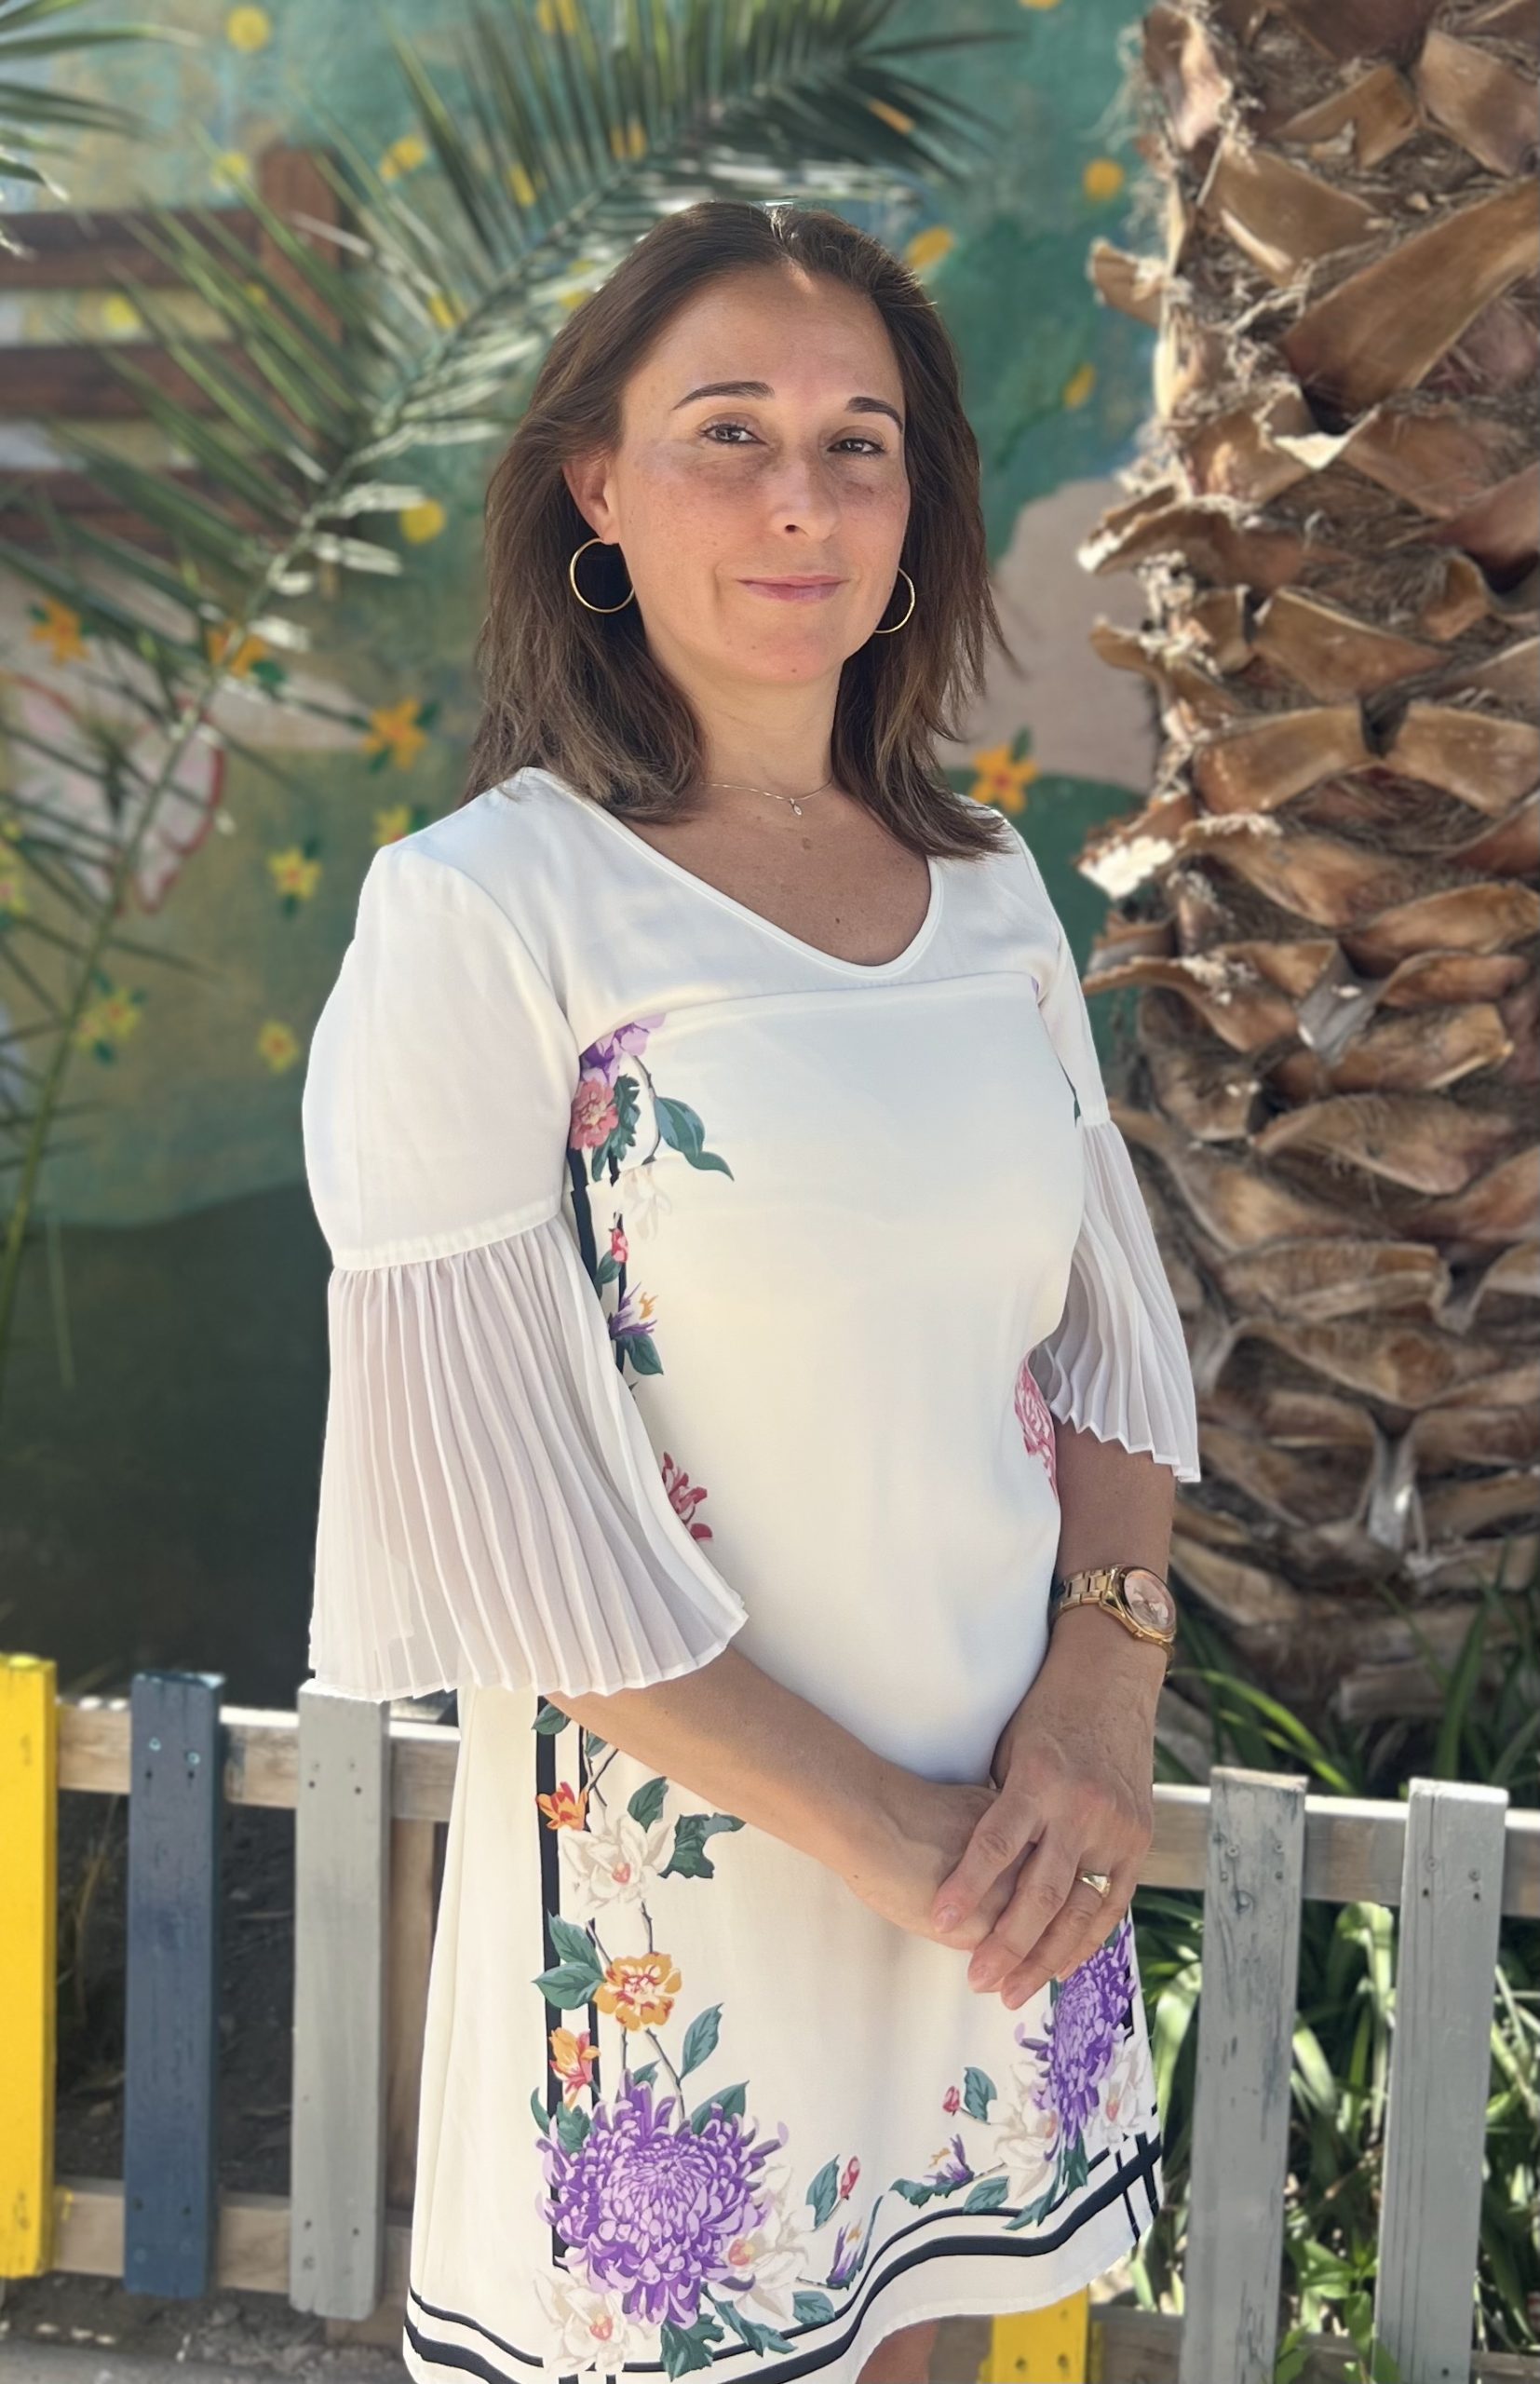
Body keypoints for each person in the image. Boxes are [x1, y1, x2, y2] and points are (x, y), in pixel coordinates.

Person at [301, 197, 1199, 2384]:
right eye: (726, 431)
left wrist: (1097, 1693)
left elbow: (1104, 1342)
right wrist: (890, 1837)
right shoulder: (482, 915)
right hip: (678, 1911)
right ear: (593, 490)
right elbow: (494, 1518)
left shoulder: (989, 892)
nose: (799, 497)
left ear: (913, 506)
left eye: (855, 442)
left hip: (1002, 1850)